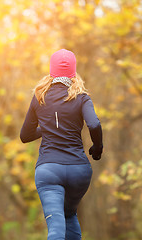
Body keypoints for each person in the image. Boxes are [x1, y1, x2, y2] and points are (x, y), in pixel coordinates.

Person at [20, 49, 103, 240]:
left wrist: (47, 128)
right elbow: (94, 124)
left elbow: (25, 135)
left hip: (49, 171)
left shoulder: (39, 96)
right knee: (69, 215)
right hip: (78, 171)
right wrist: (97, 148)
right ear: (73, 73)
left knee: (56, 230)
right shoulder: (82, 97)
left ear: (51, 72)